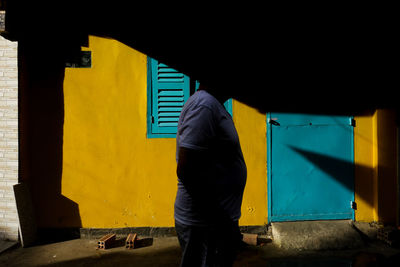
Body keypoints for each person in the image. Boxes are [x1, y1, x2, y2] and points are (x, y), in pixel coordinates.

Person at [174, 84, 247, 266]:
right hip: (205, 224)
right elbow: (187, 169)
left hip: (213, 221)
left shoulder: (211, 105)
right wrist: (222, 220)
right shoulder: (203, 106)